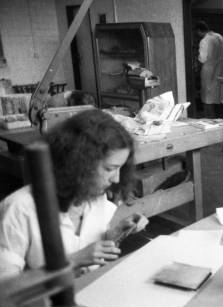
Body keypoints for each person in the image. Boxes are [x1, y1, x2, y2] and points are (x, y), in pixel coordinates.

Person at [0, 109, 147, 279]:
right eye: (110, 169)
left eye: (121, 168)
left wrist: (114, 236)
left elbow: (84, 246)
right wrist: (73, 261)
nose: (116, 179)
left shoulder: (95, 198)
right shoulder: (20, 208)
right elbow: (5, 289)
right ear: (77, 164)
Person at [196, 21, 223, 119]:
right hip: (220, 69)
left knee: (207, 97)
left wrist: (197, 60)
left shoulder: (204, 41)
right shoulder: (219, 37)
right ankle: (219, 119)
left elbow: (202, 58)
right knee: (218, 96)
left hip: (209, 70)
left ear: (199, 31)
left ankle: (209, 119)